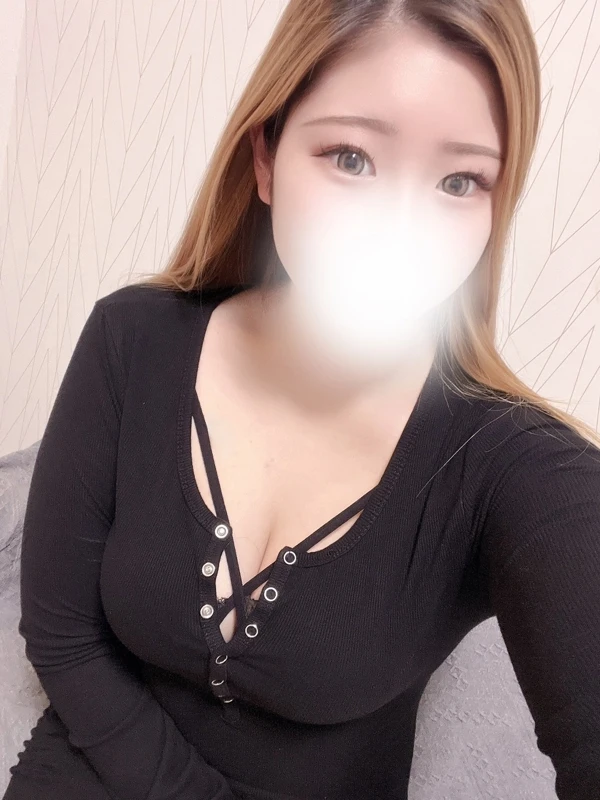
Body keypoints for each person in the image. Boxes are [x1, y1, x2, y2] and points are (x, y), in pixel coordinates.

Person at [4, 0, 600, 798]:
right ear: (266, 158)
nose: (397, 230)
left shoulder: (511, 467)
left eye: (460, 181)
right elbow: (62, 633)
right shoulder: (132, 337)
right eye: (351, 157)